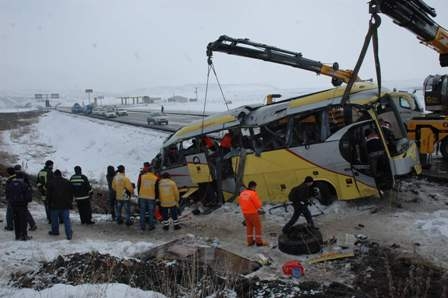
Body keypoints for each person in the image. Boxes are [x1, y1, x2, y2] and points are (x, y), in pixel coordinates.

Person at [46, 170, 74, 240]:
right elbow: (71, 193)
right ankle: (69, 234)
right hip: (65, 204)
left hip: (54, 204)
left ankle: (55, 232)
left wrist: (48, 204)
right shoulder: (67, 182)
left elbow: (48, 195)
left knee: (54, 219)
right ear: (61, 175)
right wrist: (70, 202)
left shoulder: (50, 183)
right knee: (66, 220)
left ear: (54, 175)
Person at [6, 170, 32, 240]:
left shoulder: (10, 184)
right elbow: (29, 198)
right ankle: (24, 236)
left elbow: (7, 195)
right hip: (22, 206)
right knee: (23, 221)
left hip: (13, 206)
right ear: (22, 178)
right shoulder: (24, 185)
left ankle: (17, 236)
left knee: (16, 221)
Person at [239, 181, 267, 246]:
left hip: (245, 213)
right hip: (253, 213)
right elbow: (258, 205)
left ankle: (250, 241)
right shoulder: (252, 193)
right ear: (253, 186)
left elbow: (240, 203)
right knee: (258, 227)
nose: (255, 188)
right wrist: (259, 207)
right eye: (255, 187)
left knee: (249, 227)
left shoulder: (242, 193)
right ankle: (259, 242)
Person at [14, 165, 37, 231]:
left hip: (18, 197)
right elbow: (28, 185)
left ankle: (30, 225)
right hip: (24, 196)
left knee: (23, 212)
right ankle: (31, 224)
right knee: (24, 211)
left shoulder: (16, 176)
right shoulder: (24, 175)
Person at [138, 163, 159, 231]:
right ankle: (151, 226)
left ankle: (142, 226)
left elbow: (139, 186)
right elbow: (156, 189)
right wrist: (156, 197)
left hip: (142, 196)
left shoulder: (142, 176)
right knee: (151, 212)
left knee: (142, 212)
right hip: (151, 197)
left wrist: (139, 194)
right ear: (152, 171)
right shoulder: (155, 178)